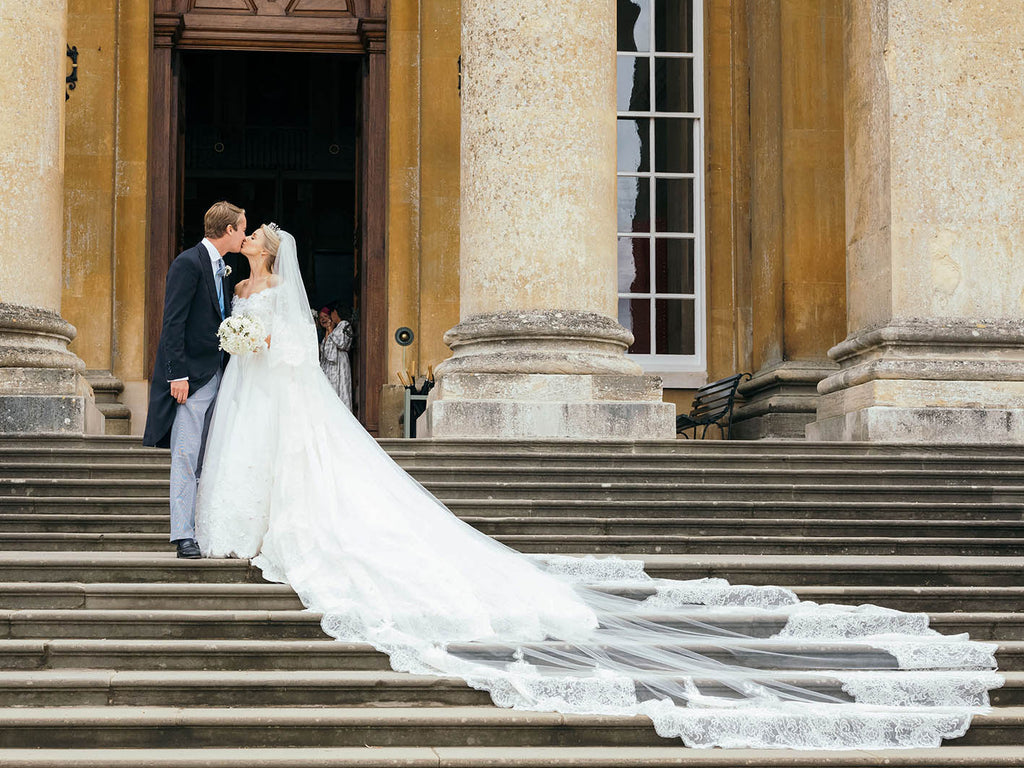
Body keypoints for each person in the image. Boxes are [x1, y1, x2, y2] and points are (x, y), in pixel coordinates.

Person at [194, 226, 1001, 750]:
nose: (255, 244)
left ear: (271, 254)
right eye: (254, 240)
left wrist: (254, 342)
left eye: (260, 241)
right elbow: (256, 345)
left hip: (281, 399)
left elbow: (293, 357)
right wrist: (242, 337)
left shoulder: (271, 297)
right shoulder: (243, 289)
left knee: (309, 482)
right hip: (257, 402)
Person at [143, 201, 246, 559]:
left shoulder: (224, 269)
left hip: (220, 373)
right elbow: (172, 322)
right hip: (192, 380)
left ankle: (204, 527)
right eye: (243, 228)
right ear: (229, 230)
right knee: (185, 456)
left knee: (210, 457)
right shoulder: (187, 263)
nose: (245, 235)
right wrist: (178, 375)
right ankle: (183, 534)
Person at [319, 302, 353, 410]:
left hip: (339, 361)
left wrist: (330, 331)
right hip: (333, 363)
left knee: (341, 390)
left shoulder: (344, 324)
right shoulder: (338, 327)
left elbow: (341, 342)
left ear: (336, 313)